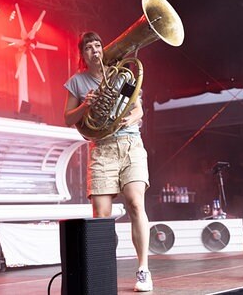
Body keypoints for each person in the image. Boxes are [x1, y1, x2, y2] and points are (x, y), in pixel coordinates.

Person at [63, 32, 152, 292]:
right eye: (88, 47)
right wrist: (84, 106)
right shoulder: (77, 82)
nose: (95, 50)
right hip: (102, 149)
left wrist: (130, 118)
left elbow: (138, 108)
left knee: (136, 204)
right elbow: (68, 119)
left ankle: (143, 269)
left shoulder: (122, 75)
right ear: (82, 55)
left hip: (130, 145)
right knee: (101, 217)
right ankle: (102, 269)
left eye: (98, 45)